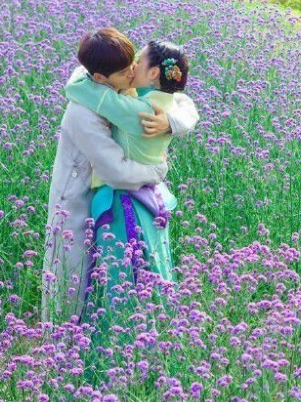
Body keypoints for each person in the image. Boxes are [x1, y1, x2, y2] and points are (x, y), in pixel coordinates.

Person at [41, 28, 191, 326]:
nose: (133, 71)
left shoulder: (116, 88)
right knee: (73, 279)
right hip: (79, 200)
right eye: (125, 70)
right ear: (99, 78)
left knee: (115, 275)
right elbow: (116, 170)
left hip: (116, 196)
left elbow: (184, 105)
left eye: (135, 62)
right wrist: (156, 172)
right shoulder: (83, 112)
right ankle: (65, 348)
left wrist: (170, 122)